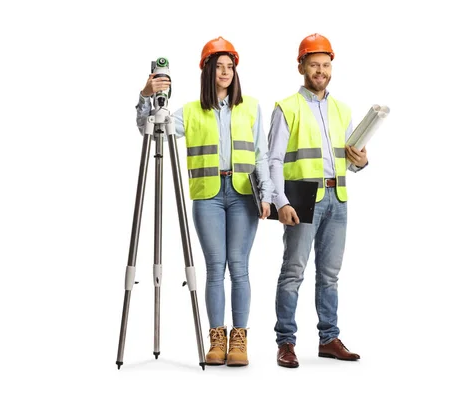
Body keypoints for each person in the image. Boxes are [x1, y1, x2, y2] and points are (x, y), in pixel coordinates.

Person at [136, 37, 274, 367]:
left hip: (243, 195)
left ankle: (239, 340)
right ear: (208, 70)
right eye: (219, 66)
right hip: (208, 196)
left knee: (239, 268)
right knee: (215, 268)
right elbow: (148, 129)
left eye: (230, 67)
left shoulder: (251, 106)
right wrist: (145, 96)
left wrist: (266, 194)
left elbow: (262, 154)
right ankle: (217, 338)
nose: (225, 72)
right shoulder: (190, 112)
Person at [268, 33, 369, 368]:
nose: (320, 70)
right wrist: (280, 201)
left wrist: (361, 161)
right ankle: (286, 342)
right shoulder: (287, 107)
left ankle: (328, 338)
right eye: (314, 65)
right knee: (293, 271)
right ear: (301, 67)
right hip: (303, 200)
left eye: (325, 65)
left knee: (330, 274)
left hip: (337, 199)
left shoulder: (343, 109)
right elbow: (273, 160)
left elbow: (351, 160)